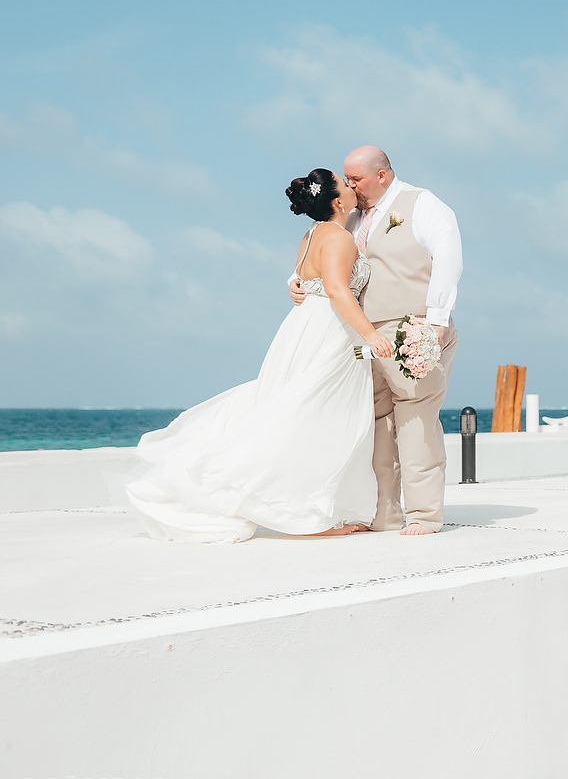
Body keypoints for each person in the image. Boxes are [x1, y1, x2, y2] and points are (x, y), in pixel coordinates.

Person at [126, 170, 395, 543]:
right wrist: (371, 334)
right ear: (337, 202)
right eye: (345, 184)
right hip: (330, 332)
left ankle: (314, 507)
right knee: (322, 415)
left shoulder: (311, 235)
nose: (352, 188)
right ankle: (310, 513)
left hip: (303, 327)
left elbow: (306, 278)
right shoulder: (339, 237)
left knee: (303, 409)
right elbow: (336, 289)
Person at [290, 146, 462, 535]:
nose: (350, 185)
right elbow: (322, 265)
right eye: (346, 179)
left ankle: (423, 515)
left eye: (356, 179)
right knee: (376, 426)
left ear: (381, 175)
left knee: (416, 421)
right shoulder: (345, 218)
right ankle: (384, 514)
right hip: (358, 336)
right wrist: (295, 283)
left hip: (410, 328)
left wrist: (434, 321)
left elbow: (448, 258)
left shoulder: (423, 204)